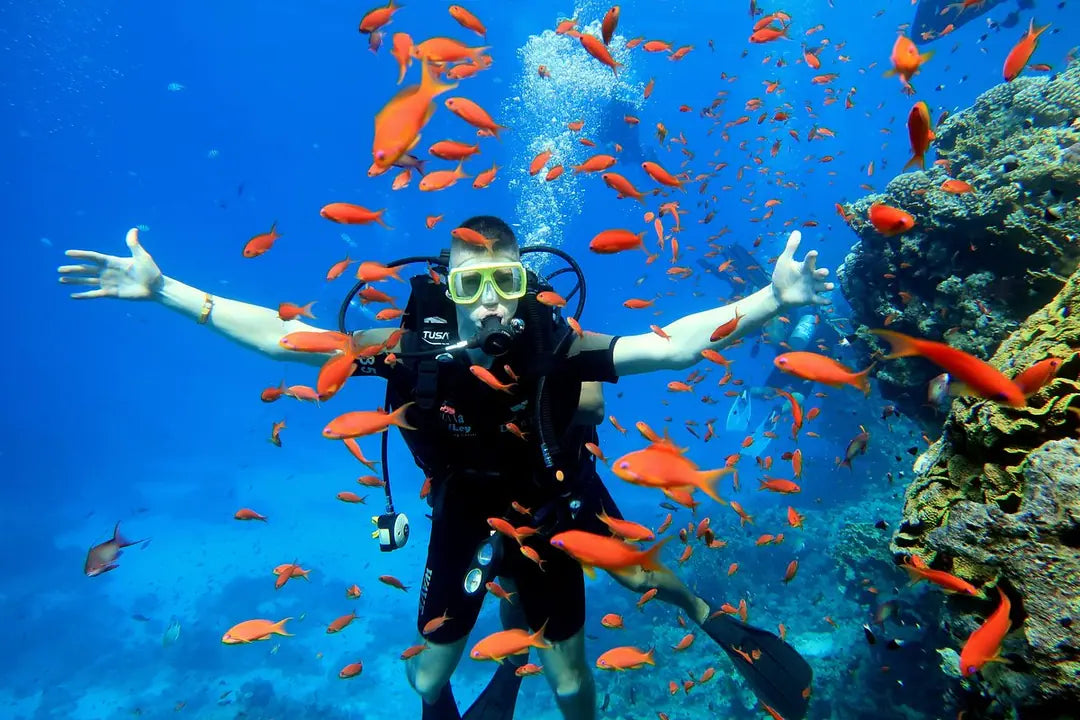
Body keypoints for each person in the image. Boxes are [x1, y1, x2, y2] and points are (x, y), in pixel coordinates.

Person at [58, 215, 834, 719]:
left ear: (525, 284)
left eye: (506, 283)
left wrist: (771, 298)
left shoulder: (554, 344)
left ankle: (703, 612)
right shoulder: (410, 350)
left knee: (577, 667)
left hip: (554, 495)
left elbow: (671, 347)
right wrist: (165, 291)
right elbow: (280, 339)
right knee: (429, 677)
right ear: (446, 287)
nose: (491, 303)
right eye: (471, 285)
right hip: (462, 508)